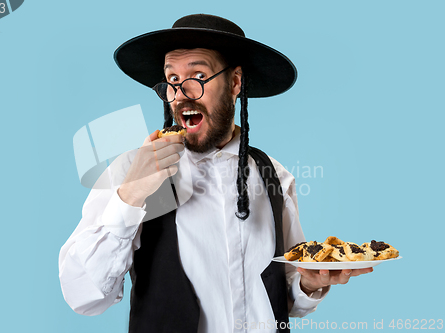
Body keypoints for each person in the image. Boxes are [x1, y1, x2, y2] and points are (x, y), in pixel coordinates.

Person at [59, 14, 372, 333]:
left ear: (235, 82)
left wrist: (306, 283)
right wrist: (130, 196)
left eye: (198, 75)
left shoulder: (274, 175)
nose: (181, 94)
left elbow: (278, 297)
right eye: (171, 79)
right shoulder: (131, 170)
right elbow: (83, 296)